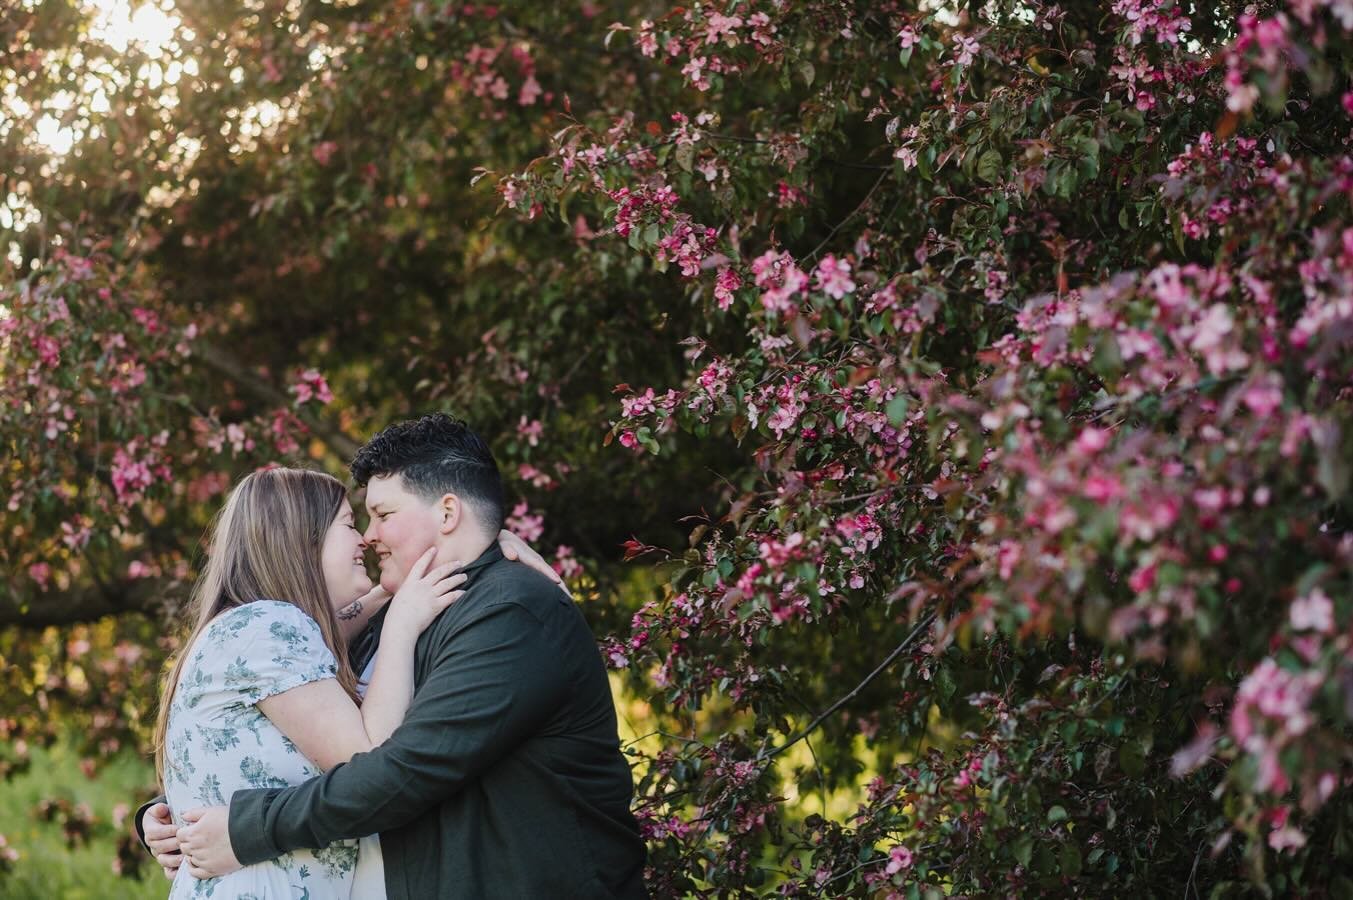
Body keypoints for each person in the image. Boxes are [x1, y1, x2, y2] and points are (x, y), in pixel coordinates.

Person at [156, 415, 647, 898]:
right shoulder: (393, 618)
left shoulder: (509, 614)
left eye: (383, 514)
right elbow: (273, 737)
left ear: (448, 514)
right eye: (359, 520)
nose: (369, 536)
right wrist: (170, 814)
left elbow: (400, 772)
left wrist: (246, 828)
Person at [154, 466, 473, 899]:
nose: (364, 539)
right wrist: (402, 624)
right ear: (304, 538)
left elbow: (334, 628)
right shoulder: (265, 626)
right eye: (348, 524)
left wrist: (468, 550)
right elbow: (368, 762)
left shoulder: (250, 625)